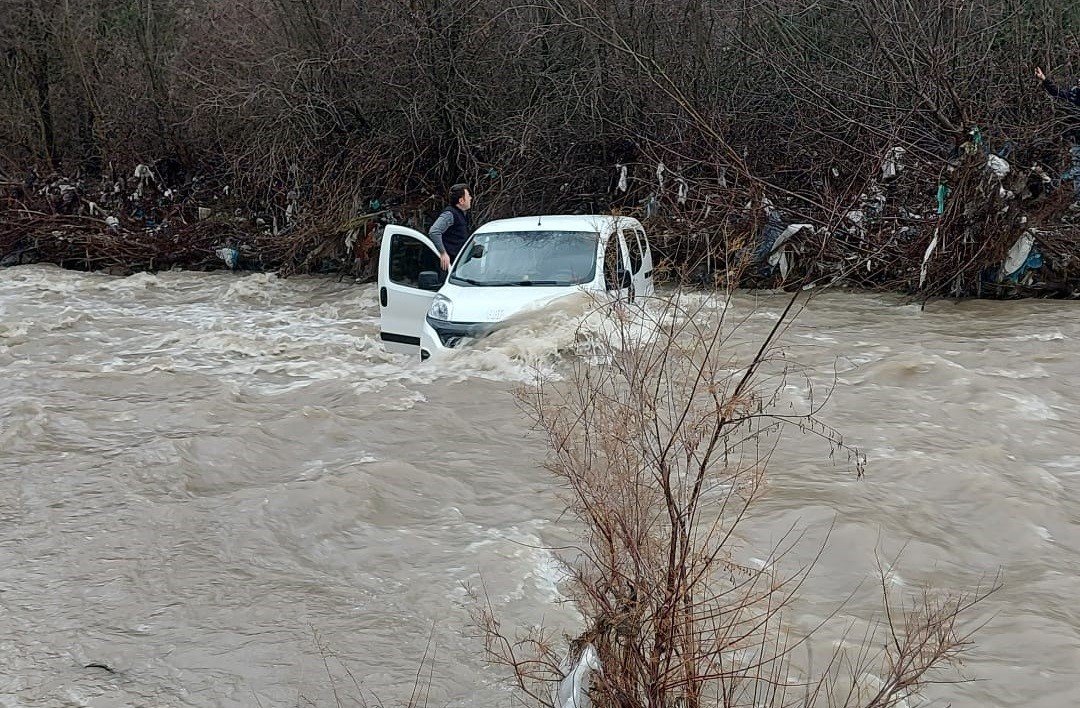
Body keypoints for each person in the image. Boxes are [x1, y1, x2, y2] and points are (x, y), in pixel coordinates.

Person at [1035, 67, 1080, 202]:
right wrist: (1044, 79)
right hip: (1077, 139)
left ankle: (1057, 184)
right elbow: (1058, 93)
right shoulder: (1074, 94)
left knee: (1077, 169)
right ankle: (1077, 198)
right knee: (1078, 169)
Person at [427, 183, 473, 271]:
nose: (470, 198)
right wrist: (443, 253)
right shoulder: (449, 214)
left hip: (459, 263)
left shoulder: (463, 214)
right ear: (461, 200)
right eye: (468, 196)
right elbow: (434, 232)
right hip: (448, 265)